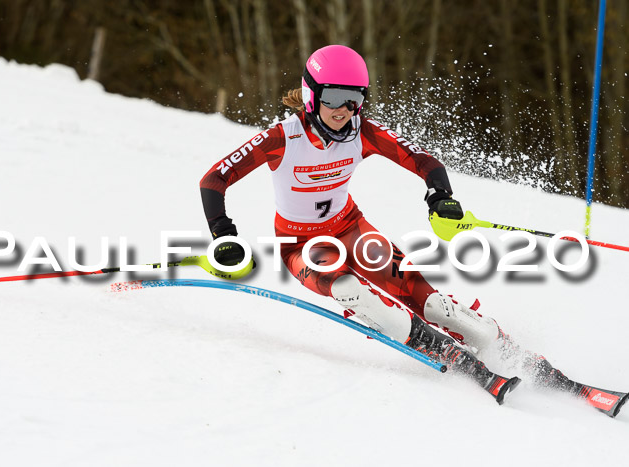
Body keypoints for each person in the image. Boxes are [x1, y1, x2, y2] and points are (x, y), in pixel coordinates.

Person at [199, 45, 575, 399]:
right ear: (311, 94)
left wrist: (440, 195)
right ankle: (443, 351)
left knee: (428, 300)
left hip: (352, 229)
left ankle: (509, 351)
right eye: (332, 98)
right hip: (301, 246)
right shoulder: (283, 137)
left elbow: (424, 161)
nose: (343, 109)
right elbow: (214, 180)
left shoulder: (362, 131)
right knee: (351, 290)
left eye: (354, 99)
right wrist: (223, 235)